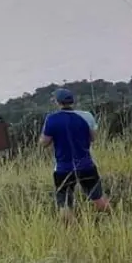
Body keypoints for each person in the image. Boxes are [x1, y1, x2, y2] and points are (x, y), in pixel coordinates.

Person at [39, 88, 110, 216]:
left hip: (63, 168)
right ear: (72, 101)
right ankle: (113, 221)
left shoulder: (52, 119)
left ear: (57, 102)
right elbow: (93, 138)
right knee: (98, 198)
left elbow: (44, 143)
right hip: (86, 165)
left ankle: (69, 234)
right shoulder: (87, 116)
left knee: (65, 204)